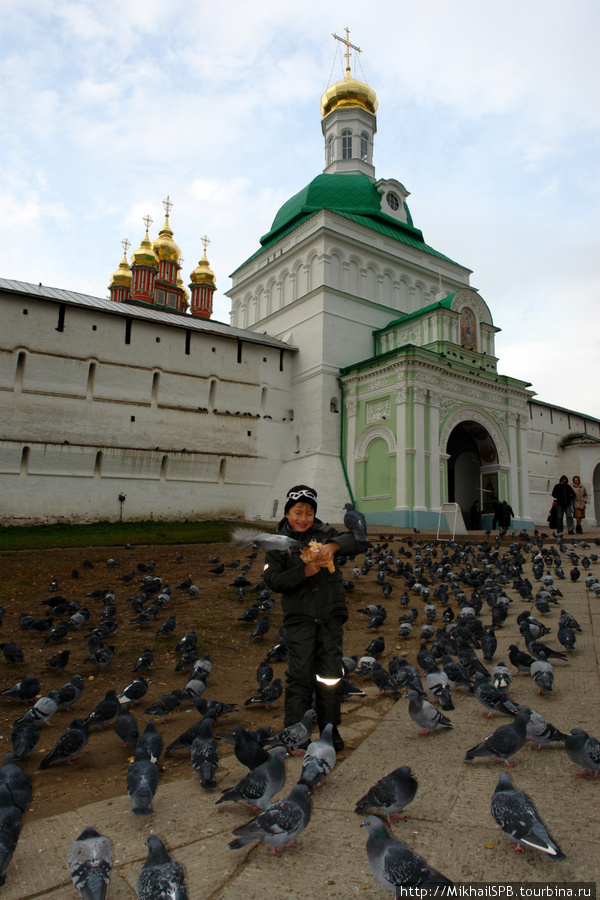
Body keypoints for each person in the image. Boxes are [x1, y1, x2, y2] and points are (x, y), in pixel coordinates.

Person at [262, 485, 366, 752]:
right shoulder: (276, 543)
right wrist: (305, 571)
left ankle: (330, 729)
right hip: (299, 619)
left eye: (309, 512)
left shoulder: (325, 532)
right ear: (287, 514)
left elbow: (358, 541)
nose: (304, 518)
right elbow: (273, 580)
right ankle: (295, 732)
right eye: (298, 512)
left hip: (329, 616)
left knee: (330, 676)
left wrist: (333, 546)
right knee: (299, 675)